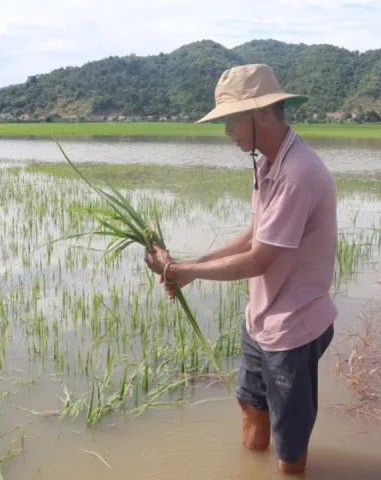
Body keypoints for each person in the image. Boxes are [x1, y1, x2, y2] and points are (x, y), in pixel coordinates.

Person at [144, 64, 337, 475]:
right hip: (260, 319)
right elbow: (253, 236)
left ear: (262, 114)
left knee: (290, 447)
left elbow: (258, 259)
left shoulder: (297, 174)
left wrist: (187, 274)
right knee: (249, 402)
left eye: (232, 119)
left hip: (292, 330)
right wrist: (186, 264)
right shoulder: (269, 164)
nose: (227, 130)